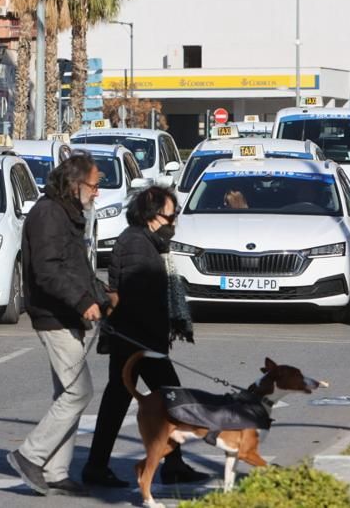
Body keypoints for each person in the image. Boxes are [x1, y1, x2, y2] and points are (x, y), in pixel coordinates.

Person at [83, 186, 208, 488]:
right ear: (152, 216)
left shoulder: (147, 242)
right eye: (170, 215)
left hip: (138, 338)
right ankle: (103, 467)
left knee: (128, 399)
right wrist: (153, 341)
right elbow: (137, 297)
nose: (174, 222)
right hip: (137, 340)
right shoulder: (138, 245)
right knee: (169, 398)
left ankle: (104, 465)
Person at [7, 153, 114, 498]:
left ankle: (55, 470)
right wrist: (85, 301)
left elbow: (77, 266)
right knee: (78, 392)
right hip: (55, 317)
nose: (98, 192)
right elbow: (49, 270)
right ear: (75, 183)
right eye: (95, 185)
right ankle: (30, 456)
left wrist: (101, 296)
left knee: (67, 393)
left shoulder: (66, 212)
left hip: (70, 315)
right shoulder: (49, 214)